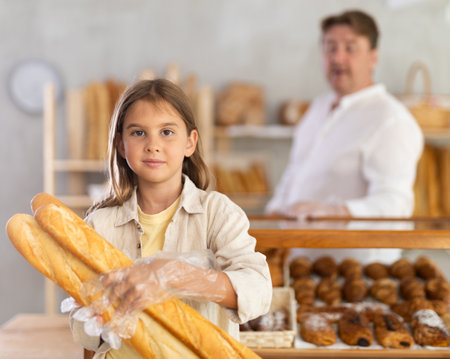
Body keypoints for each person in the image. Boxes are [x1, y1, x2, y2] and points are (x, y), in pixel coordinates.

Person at [71, 79, 272, 358]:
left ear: (190, 142)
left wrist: (174, 275)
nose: (153, 145)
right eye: (139, 133)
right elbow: (89, 340)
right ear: (120, 144)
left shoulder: (218, 213)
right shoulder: (99, 225)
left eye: (167, 132)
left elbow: (258, 291)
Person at [266, 10, 423, 263]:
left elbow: (396, 204)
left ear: (373, 58)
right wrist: (276, 206)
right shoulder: (318, 107)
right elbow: (297, 169)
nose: (338, 58)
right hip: (301, 261)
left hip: (357, 275)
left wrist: (337, 211)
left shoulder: (390, 119)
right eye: (330, 48)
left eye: (350, 48)